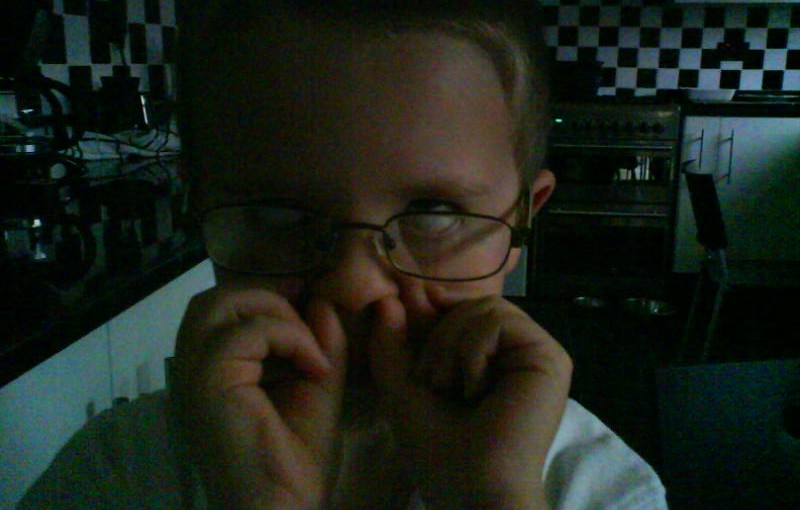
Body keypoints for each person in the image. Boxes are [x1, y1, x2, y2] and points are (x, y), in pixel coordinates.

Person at [20, 1, 668, 508]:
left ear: (523, 221)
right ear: (199, 205)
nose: (355, 287)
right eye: (276, 212)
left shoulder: (603, 491)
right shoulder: (113, 474)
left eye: (434, 211)